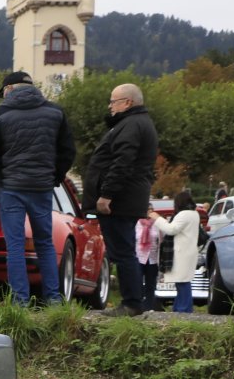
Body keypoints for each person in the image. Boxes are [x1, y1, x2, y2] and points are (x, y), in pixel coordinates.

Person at [0, 71, 75, 306]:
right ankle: (53, 299)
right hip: (42, 187)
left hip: (11, 188)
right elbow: (67, 151)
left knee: (15, 245)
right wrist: (53, 178)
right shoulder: (56, 112)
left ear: (9, 89)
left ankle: (20, 301)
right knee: (45, 242)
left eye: (3, 91)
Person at [81, 82, 159, 317]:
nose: (110, 106)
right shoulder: (136, 123)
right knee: (123, 251)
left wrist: (107, 194)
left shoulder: (131, 125)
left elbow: (122, 162)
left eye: (113, 101)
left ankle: (131, 303)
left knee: (123, 252)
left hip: (120, 200)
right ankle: (131, 301)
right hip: (127, 198)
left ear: (128, 102)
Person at [152, 190, 200, 314]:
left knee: (182, 282)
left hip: (182, 253)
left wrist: (157, 218)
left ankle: (184, 309)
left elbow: (171, 229)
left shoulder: (184, 214)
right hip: (188, 251)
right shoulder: (194, 213)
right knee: (183, 281)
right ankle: (179, 307)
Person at [135, 208, 164, 311]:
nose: (148, 213)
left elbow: (162, 239)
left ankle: (149, 306)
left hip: (152, 257)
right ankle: (137, 305)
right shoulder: (137, 223)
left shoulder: (157, 224)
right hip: (139, 257)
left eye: (151, 210)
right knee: (137, 282)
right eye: (147, 210)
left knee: (151, 284)